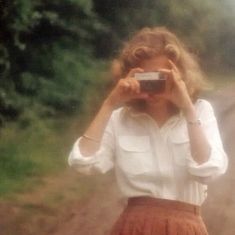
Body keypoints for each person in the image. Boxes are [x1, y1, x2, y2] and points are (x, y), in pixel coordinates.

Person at [68, 27, 228, 235]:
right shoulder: (120, 119)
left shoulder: (200, 111)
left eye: (161, 78)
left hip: (186, 228)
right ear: (130, 77)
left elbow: (209, 170)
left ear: (180, 76)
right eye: (146, 79)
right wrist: (109, 104)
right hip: (134, 228)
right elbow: (82, 163)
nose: (153, 86)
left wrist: (187, 107)